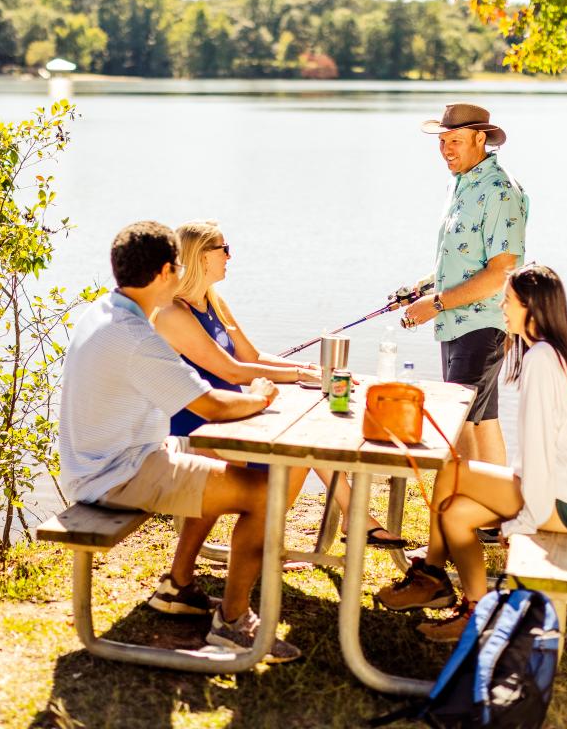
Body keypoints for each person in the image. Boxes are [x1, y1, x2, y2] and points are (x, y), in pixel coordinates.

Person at [57, 220, 300, 663]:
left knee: (207, 457)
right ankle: (232, 623)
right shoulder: (136, 337)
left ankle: (180, 584)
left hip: (104, 462)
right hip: (115, 476)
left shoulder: (103, 312)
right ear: (168, 271)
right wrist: (262, 395)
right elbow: (214, 406)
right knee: (265, 494)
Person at [377, 264, 567, 642]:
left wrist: (524, 520)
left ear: (531, 308)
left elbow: (539, 453)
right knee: (455, 513)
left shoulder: (542, 360)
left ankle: (432, 577)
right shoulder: (551, 354)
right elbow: (539, 449)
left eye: (508, 300)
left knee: (453, 471)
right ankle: (473, 608)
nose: (501, 306)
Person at [154, 220, 408, 548]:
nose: (230, 257)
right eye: (224, 249)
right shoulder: (173, 313)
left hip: (236, 421)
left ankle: (350, 516)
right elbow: (232, 371)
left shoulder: (213, 302)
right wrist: (301, 376)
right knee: (302, 448)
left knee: (309, 436)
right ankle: (348, 518)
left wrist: (310, 367)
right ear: (203, 256)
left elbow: (252, 355)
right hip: (202, 432)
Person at [402, 104, 528, 466]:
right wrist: (425, 288)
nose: (446, 150)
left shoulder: (501, 191)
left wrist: (437, 303)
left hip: (482, 325)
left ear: (480, 138)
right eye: (442, 142)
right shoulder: (460, 184)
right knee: (482, 420)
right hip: (455, 322)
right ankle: (494, 514)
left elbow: (501, 272)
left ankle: (464, 511)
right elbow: (465, 258)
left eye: (455, 141)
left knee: (455, 426)